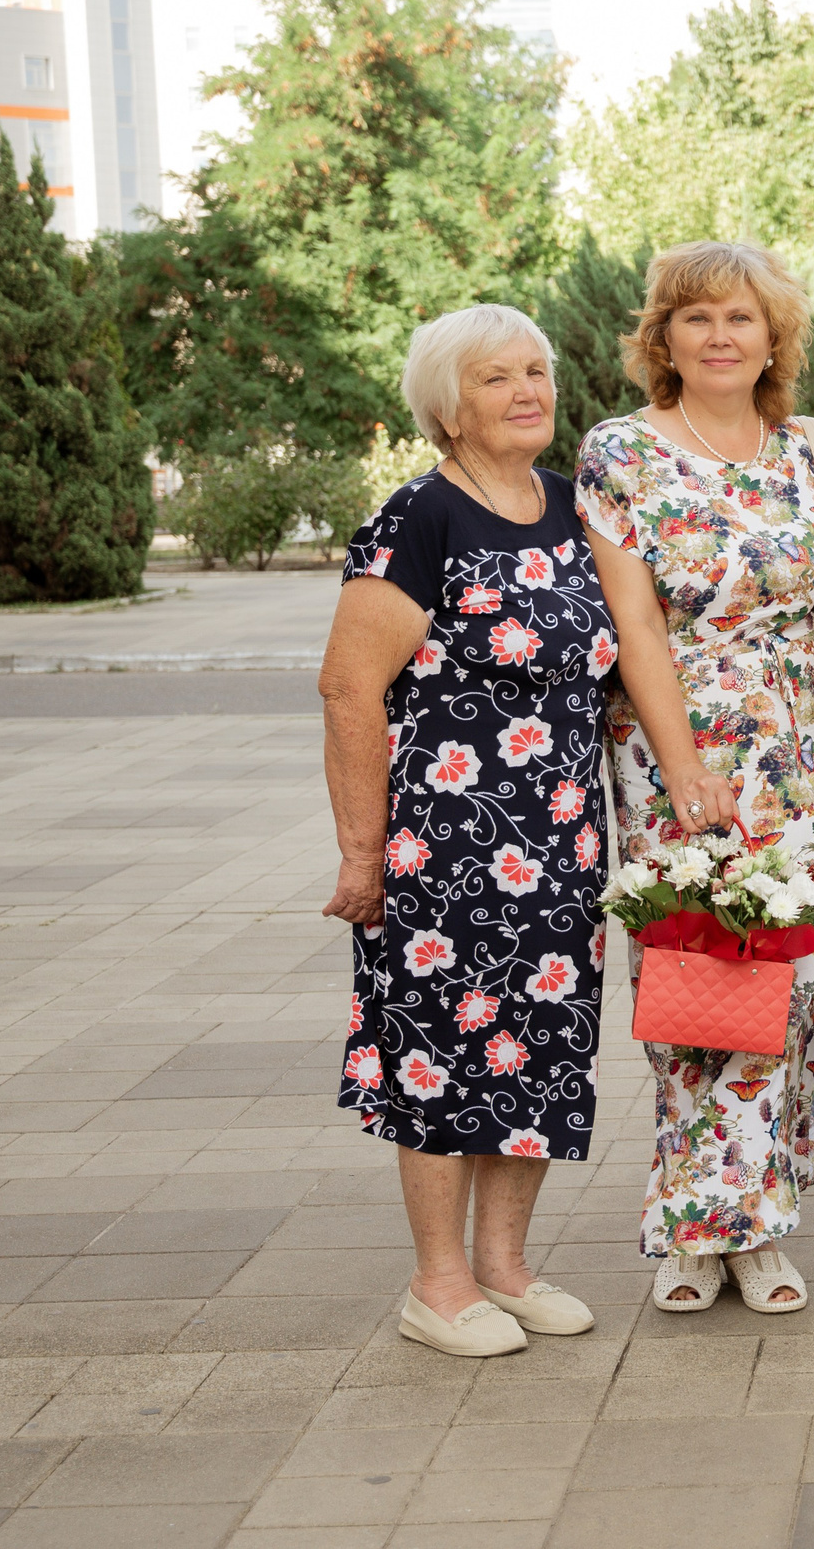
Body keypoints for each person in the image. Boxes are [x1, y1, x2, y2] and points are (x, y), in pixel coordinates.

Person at [320, 304, 610, 1357]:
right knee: (444, 1056)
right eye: (497, 377)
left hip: (566, 840)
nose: (527, 390)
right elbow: (350, 689)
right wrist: (360, 855)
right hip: (448, 847)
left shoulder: (575, 506)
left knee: (536, 1049)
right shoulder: (420, 517)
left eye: (536, 369)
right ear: (449, 403)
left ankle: (505, 1267)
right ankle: (437, 1283)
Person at [576, 241, 814, 1316]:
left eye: (742, 317)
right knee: (693, 972)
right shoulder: (621, 450)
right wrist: (682, 767)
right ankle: (697, 1227)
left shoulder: (810, 451)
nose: (721, 335)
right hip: (677, 737)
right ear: (663, 339)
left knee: (788, 982)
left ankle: (762, 1221)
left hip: (798, 743)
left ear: (773, 338)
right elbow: (633, 615)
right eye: (697, 318)